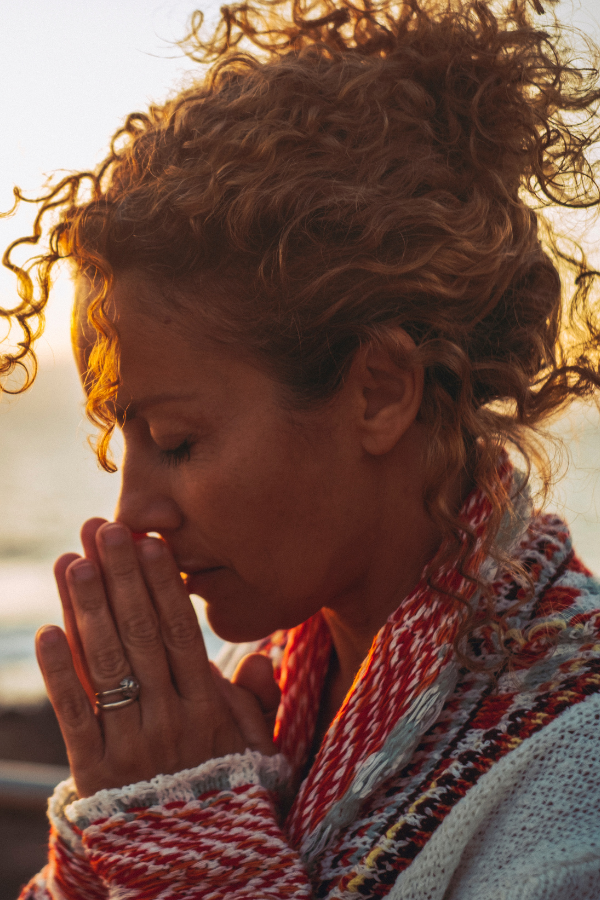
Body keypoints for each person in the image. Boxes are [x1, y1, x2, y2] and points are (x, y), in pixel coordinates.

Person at [9, 0, 600, 896]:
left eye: (175, 440)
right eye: (121, 441)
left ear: (381, 391)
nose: (133, 512)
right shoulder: (278, 690)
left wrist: (188, 846)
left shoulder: (576, 769)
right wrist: (137, 814)